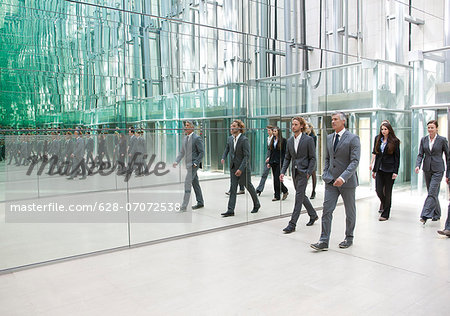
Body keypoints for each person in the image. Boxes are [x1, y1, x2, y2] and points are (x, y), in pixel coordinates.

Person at [311, 112, 361, 251]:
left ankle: (349, 237)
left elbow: (354, 161)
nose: (332, 122)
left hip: (347, 182)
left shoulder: (353, 138)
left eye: (335, 119)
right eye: (332, 119)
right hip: (331, 181)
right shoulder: (329, 138)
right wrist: (327, 173)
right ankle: (323, 240)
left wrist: (343, 177)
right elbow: (327, 158)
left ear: (343, 121)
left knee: (349, 211)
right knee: (327, 210)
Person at [280, 117, 318, 233]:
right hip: (294, 172)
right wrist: (282, 172)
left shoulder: (308, 140)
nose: (293, 127)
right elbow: (287, 157)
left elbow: (313, 158)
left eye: (296, 124)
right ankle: (313, 214)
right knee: (301, 195)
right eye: (292, 124)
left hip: (304, 172)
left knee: (298, 197)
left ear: (301, 126)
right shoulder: (290, 140)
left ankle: (292, 224)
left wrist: (308, 172)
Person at [220, 120, 260, 217]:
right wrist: (223, 157)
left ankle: (257, 204)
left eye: (234, 126)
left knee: (249, 187)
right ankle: (230, 210)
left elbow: (247, 156)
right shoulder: (230, 139)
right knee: (233, 189)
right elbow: (227, 148)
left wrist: (241, 169)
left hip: (243, 169)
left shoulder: (244, 140)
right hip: (233, 168)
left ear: (239, 128)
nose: (232, 128)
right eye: (231, 126)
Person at [415, 120, 449, 223]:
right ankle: (437, 213)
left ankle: (425, 215)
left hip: (438, 169)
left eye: (432, 127)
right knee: (433, 192)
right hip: (427, 169)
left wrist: (448, 173)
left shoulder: (442, 140)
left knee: (431, 192)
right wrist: (418, 165)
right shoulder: (424, 139)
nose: (430, 129)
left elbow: (448, 156)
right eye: (428, 127)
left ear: (436, 128)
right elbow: (420, 154)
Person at [371, 122, 400, 221]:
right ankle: (385, 204)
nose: (383, 131)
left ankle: (386, 213)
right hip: (379, 168)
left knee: (388, 192)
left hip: (390, 170)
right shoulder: (377, 139)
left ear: (389, 130)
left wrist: (395, 171)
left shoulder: (395, 141)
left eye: (385, 129)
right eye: (382, 129)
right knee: (378, 190)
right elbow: (377, 154)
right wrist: (374, 170)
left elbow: (397, 157)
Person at [173, 121, 205, 211]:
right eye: (185, 126)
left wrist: (196, 163)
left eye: (187, 126)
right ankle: (200, 202)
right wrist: (176, 161)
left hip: (193, 165)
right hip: (187, 165)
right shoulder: (184, 139)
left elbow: (202, 152)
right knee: (195, 183)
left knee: (187, 183)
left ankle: (184, 206)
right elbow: (182, 152)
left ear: (192, 128)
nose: (185, 127)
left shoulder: (197, 138)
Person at [267, 126, 288, 201]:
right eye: (273, 131)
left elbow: (285, 153)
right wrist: (270, 162)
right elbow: (271, 152)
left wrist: (283, 161)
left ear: (278, 132)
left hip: (280, 162)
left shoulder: (283, 141)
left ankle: (280, 193)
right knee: (275, 179)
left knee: (277, 179)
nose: (274, 132)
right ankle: (281, 193)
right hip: (273, 162)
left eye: (275, 131)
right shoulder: (273, 140)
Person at [256, 125, 274, 196]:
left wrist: (270, 157)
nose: (268, 132)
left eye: (269, 130)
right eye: (267, 130)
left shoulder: (275, 139)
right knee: (264, 173)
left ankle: (282, 189)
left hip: (273, 158)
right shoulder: (267, 138)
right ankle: (259, 189)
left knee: (276, 176)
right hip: (268, 157)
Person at [305, 122, 318, 199]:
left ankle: (313, 191)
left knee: (313, 174)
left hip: (312, 158)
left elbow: (313, 148)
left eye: (307, 128)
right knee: (306, 175)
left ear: (310, 128)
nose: (305, 129)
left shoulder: (313, 137)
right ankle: (303, 191)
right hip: (306, 158)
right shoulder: (305, 136)